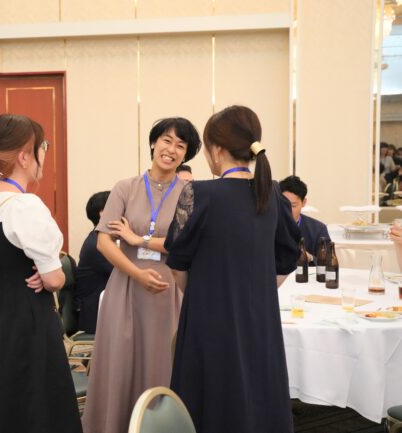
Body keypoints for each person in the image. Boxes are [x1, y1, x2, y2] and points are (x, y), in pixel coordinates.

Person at [166, 105, 300, 433]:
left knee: (210, 402)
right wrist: (257, 291)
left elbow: (178, 263)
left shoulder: (198, 193)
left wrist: (201, 293)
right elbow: (288, 259)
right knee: (258, 397)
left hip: (207, 320)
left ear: (217, 149)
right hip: (261, 321)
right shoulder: (274, 195)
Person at [0, 114, 81, 433]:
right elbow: (54, 279)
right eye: (43, 147)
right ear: (25, 156)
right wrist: (51, 275)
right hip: (29, 323)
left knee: (3, 401)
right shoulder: (25, 206)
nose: (45, 154)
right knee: (33, 406)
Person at [81, 117, 201, 433]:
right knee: (121, 364)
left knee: (163, 363)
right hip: (126, 288)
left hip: (170, 288)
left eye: (180, 145)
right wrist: (137, 274)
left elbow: (184, 243)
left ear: (186, 154)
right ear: (153, 143)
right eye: (166, 140)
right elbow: (104, 242)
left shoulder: (190, 193)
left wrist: (138, 239)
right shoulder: (125, 188)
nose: (171, 149)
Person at [74, 191, 113, 334]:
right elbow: (125, 274)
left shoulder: (102, 239)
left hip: (104, 308)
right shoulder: (97, 244)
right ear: (103, 214)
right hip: (95, 315)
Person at [279, 175, 330, 263]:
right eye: (284, 205)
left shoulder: (318, 229)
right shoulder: (270, 226)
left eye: (293, 206)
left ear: (303, 202)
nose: (288, 210)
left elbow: (328, 263)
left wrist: (310, 258)